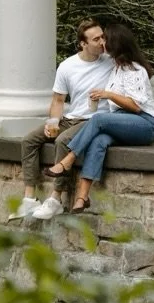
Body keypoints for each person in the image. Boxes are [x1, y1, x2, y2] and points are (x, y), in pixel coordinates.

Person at [36, 21, 154, 217]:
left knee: (98, 119)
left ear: (115, 43)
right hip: (122, 121)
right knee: (99, 140)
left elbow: (136, 106)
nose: (102, 42)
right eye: (100, 39)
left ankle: (68, 160)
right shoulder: (115, 67)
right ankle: (82, 197)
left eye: (105, 39)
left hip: (145, 123)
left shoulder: (134, 70)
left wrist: (107, 94)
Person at [8, 18, 114, 221]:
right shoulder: (67, 66)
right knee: (29, 140)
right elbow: (58, 100)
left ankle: (55, 199)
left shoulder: (111, 61)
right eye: (96, 39)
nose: (102, 42)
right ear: (83, 44)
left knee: (62, 141)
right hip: (70, 117)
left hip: (93, 120)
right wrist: (53, 123)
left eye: (103, 37)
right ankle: (29, 198)